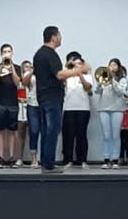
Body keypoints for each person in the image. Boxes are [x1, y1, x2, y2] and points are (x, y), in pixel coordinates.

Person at [32, 26, 90, 173]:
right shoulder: (50, 54)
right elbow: (59, 75)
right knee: (53, 129)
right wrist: (79, 70)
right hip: (52, 98)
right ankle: (49, 164)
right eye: (59, 35)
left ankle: (46, 162)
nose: (61, 38)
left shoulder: (38, 54)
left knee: (46, 130)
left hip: (43, 96)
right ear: (53, 37)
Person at [0, 43, 23, 168]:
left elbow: (17, 82)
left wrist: (12, 68)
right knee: (0, 131)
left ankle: (10, 158)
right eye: (4, 51)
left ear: (12, 53)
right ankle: (1, 158)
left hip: (12, 102)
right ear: (1, 54)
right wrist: (2, 65)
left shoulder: (17, 67)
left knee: (12, 131)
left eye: (9, 51)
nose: (7, 53)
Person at [94, 58, 128, 169]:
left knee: (115, 135)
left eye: (114, 65)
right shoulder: (103, 77)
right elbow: (97, 91)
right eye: (110, 65)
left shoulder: (122, 80)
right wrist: (100, 83)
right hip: (103, 109)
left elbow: (120, 93)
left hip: (117, 109)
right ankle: (106, 158)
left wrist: (113, 80)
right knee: (106, 135)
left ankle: (114, 159)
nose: (112, 67)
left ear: (118, 67)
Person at [62, 52, 93, 169]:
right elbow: (60, 79)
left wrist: (80, 75)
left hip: (83, 109)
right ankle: (68, 160)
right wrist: (69, 68)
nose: (77, 66)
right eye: (75, 64)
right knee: (68, 135)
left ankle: (82, 160)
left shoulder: (88, 76)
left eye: (79, 64)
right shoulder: (67, 76)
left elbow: (88, 88)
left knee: (81, 135)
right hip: (68, 108)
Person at [21, 60, 41, 168]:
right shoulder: (30, 74)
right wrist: (32, 72)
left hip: (44, 104)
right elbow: (25, 82)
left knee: (46, 132)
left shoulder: (45, 73)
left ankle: (46, 158)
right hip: (32, 104)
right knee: (33, 131)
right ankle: (34, 158)